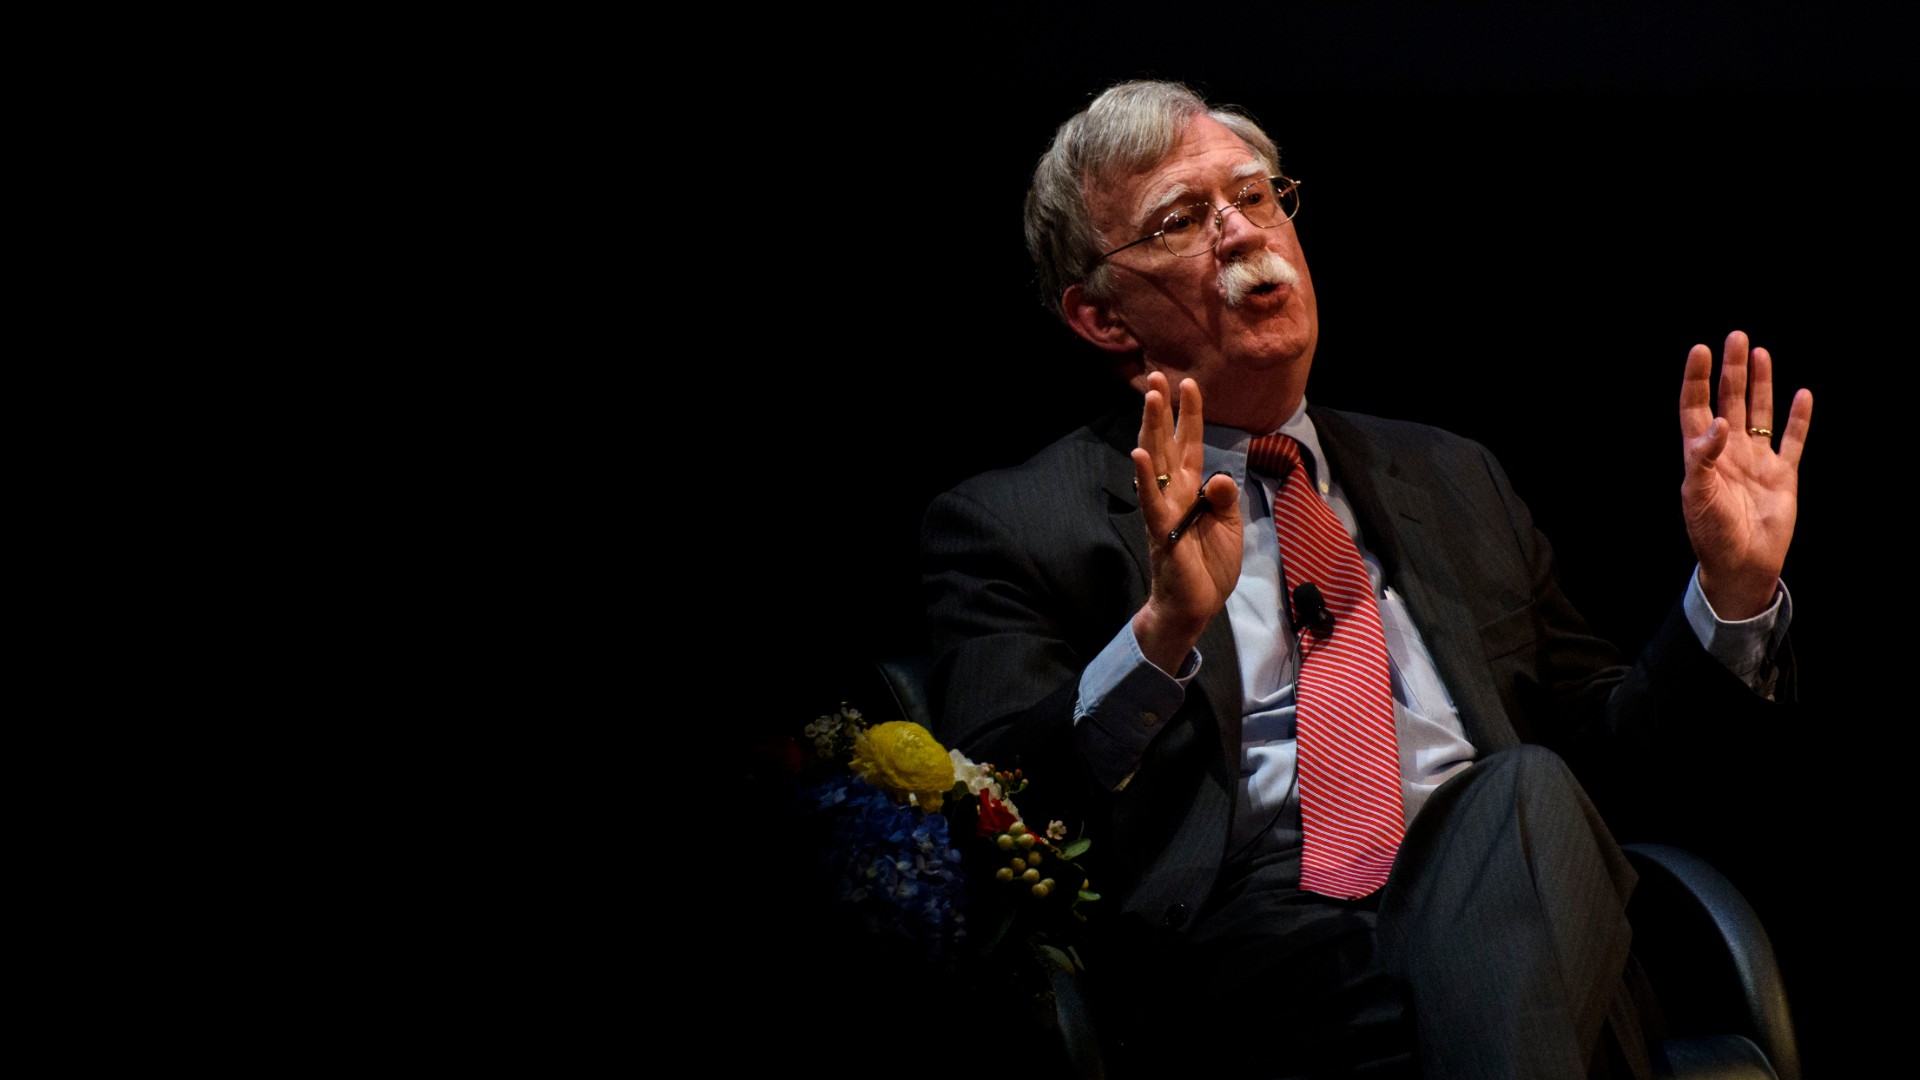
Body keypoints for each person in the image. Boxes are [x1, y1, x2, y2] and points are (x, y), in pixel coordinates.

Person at [921, 81, 1811, 1079]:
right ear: (1099, 315)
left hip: (1520, 896)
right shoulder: (1014, 523)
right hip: (1255, 965)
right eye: (1181, 218)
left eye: (1257, 198)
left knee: (1524, 795)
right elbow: (990, 809)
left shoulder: (1455, 477)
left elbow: (1620, 774)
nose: (1240, 234)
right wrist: (1165, 629)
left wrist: (1730, 594)